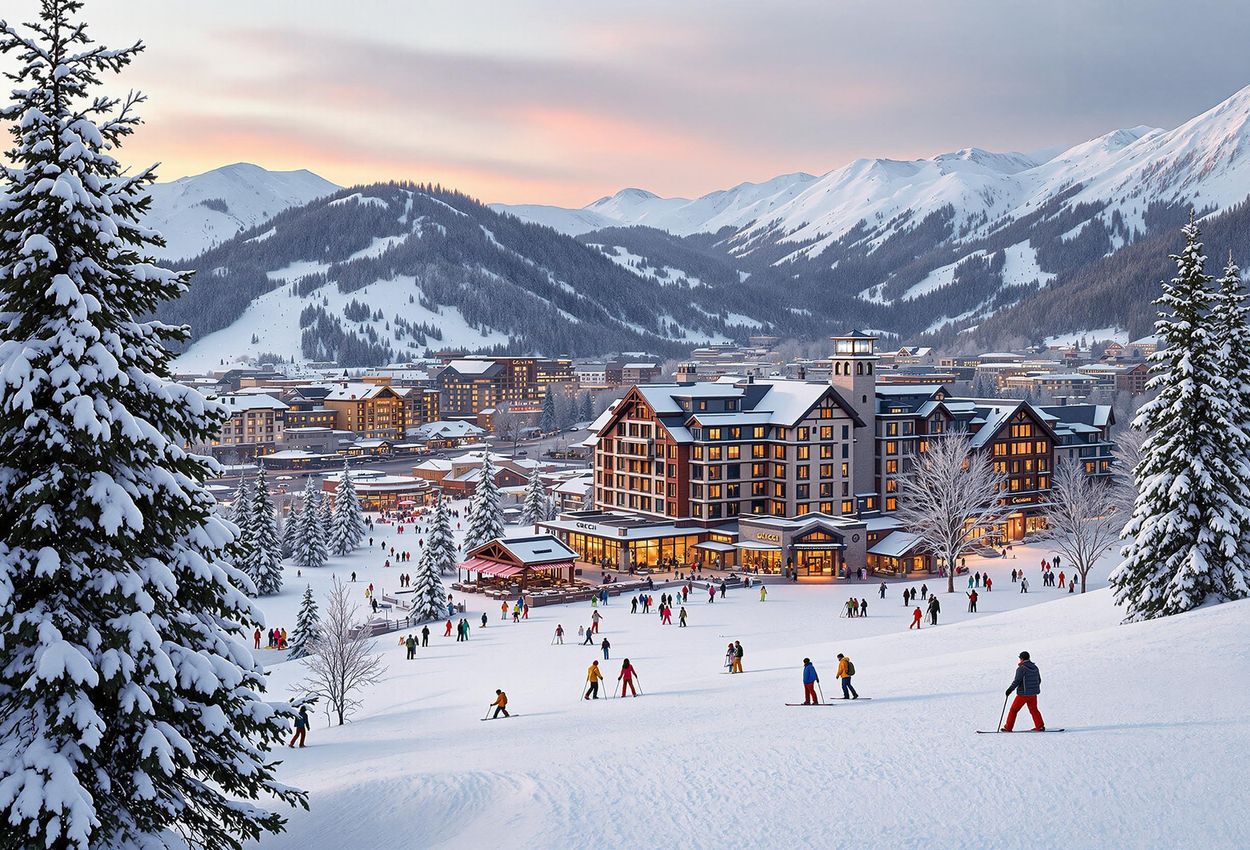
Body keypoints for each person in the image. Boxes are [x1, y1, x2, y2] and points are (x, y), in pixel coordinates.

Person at [1001, 651, 1045, 732]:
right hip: (1033, 694)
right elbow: (1039, 680)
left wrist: (1009, 690)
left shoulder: (1021, 669)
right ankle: (1040, 726)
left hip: (1023, 694)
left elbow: (1016, 681)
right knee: (1034, 709)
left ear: (1021, 658)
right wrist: (1033, 689)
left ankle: (1008, 728)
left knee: (1013, 710)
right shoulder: (1035, 667)